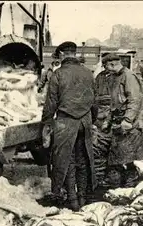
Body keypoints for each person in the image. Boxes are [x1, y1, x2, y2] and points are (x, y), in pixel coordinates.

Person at [41, 41, 97, 211]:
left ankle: (71, 200)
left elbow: (51, 103)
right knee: (83, 160)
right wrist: (90, 120)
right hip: (85, 122)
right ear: (74, 53)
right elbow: (94, 102)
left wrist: (47, 124)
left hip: (66, 123)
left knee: (66, 161)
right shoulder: (88, 73)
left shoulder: (58, 75)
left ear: (63, 55)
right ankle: (83, 198)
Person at [104, 53, 143, 188]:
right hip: (122, 119)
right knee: (123, 153)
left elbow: (135, 100)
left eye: (107, 67)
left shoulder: (129, 76)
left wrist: (127, 119)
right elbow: (114, 102)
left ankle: (130, 181)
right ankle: (125, 179)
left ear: (112, 64)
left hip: (134, 121)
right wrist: (108, 120)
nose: (106, 70)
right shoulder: (114, 77)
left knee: (126, 152)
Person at [92, 52, 113, 186]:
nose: (107, 67)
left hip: (111, 112)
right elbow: (95, 93)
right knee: (100, 144)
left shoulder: (118, 77)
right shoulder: (99, 77)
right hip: (101, 112)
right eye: (105, 64)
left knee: (110, 145)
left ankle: (106, 174)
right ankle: (99, 176)